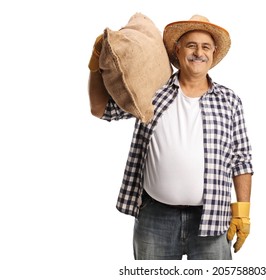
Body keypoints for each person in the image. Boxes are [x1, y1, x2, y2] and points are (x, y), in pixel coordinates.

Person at [88, 15, 253, 260]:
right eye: (191, 45)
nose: (199, 52)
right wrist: (94, 64)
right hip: (155, 218)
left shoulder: (230, 101)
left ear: (213, 53)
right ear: (178, 50)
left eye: (205, 47)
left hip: (212, 217)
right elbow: (100, 109)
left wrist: (242, 211)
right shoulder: (152, 91)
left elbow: (241, 159)